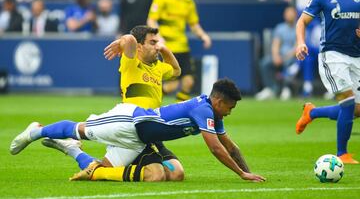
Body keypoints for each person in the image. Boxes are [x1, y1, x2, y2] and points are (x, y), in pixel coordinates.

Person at [10, 79, 266, 182]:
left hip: (137, 140)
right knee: (80, 129)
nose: (230, 112)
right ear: (219, 101)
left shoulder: (213, 114)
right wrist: (241, 174)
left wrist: (247, 171)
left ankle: (69, 149)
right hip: (129, 121)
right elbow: (215, 148)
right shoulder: (204, 110)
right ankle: (35, 131)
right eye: (230, 107)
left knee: (101, 171)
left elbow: (231, 147)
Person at [42, 25, 184, 182]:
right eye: (152, 42)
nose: (156, 46)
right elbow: (129, 40)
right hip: (134, 128)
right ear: (139, 47)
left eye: (156, 42)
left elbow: (176, 71)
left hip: (152, 130)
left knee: (177, 174)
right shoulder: (131, 63)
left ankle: (75, 150)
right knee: (155, 175)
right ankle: (73, 151)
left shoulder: (158, 67)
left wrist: (162, 48)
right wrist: (121, 41)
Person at [295, 0, 360, 164]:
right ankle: (342, 154)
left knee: (357, 110)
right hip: (332, 55)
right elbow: (302, 22)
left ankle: (312, 112)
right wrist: (301, 43)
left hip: (357, 56)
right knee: (348, 102)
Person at [147, 0, 212, 102]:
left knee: (189, 81)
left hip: (182, 47)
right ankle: (151, 101)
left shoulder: (188, 2)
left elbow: (193, 24)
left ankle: (180, 110)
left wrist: (203, 36)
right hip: (167, 48)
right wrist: (158, 37)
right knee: (172, 85)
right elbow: (151, 20)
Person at [255, 6, 298, 101]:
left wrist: (287, 57)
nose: (289, 15)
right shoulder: (280, 28)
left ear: (295, 15)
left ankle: (286, 89)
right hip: (280, 57)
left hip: (294, 58)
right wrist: (276, 56)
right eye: (287, 13)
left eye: (291, 13)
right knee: (265, 63)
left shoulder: (299, 27)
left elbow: (297, 46)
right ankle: (271, 89)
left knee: (290, 64)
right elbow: (275, 44)